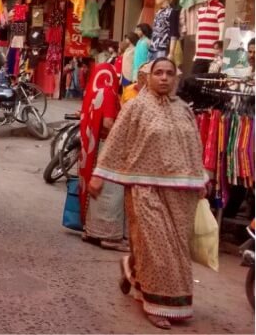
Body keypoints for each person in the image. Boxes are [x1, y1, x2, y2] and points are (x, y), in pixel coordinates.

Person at [90, 58, 208, 329]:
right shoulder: (136, 107)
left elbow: (194, 147)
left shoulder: (184, 111)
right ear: (148, 76)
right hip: (144, 188)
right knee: (156, 246)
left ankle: (133, 269)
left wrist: (201, 179)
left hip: (181, 193)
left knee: (175, 249)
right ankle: (155, 304)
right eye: (158, 73)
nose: (164, 78)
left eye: (169, 73)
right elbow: (117, 140)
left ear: (176, 78)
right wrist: (99, 175)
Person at [78, 63, 126, 251]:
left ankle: (91, 231)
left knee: (97, 192)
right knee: (111, 192)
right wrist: (123, 135)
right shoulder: (108, 93)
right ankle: (109, 237)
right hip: (109, 148)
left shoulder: (94, 91)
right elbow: (108, 123)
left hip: (95, 148)